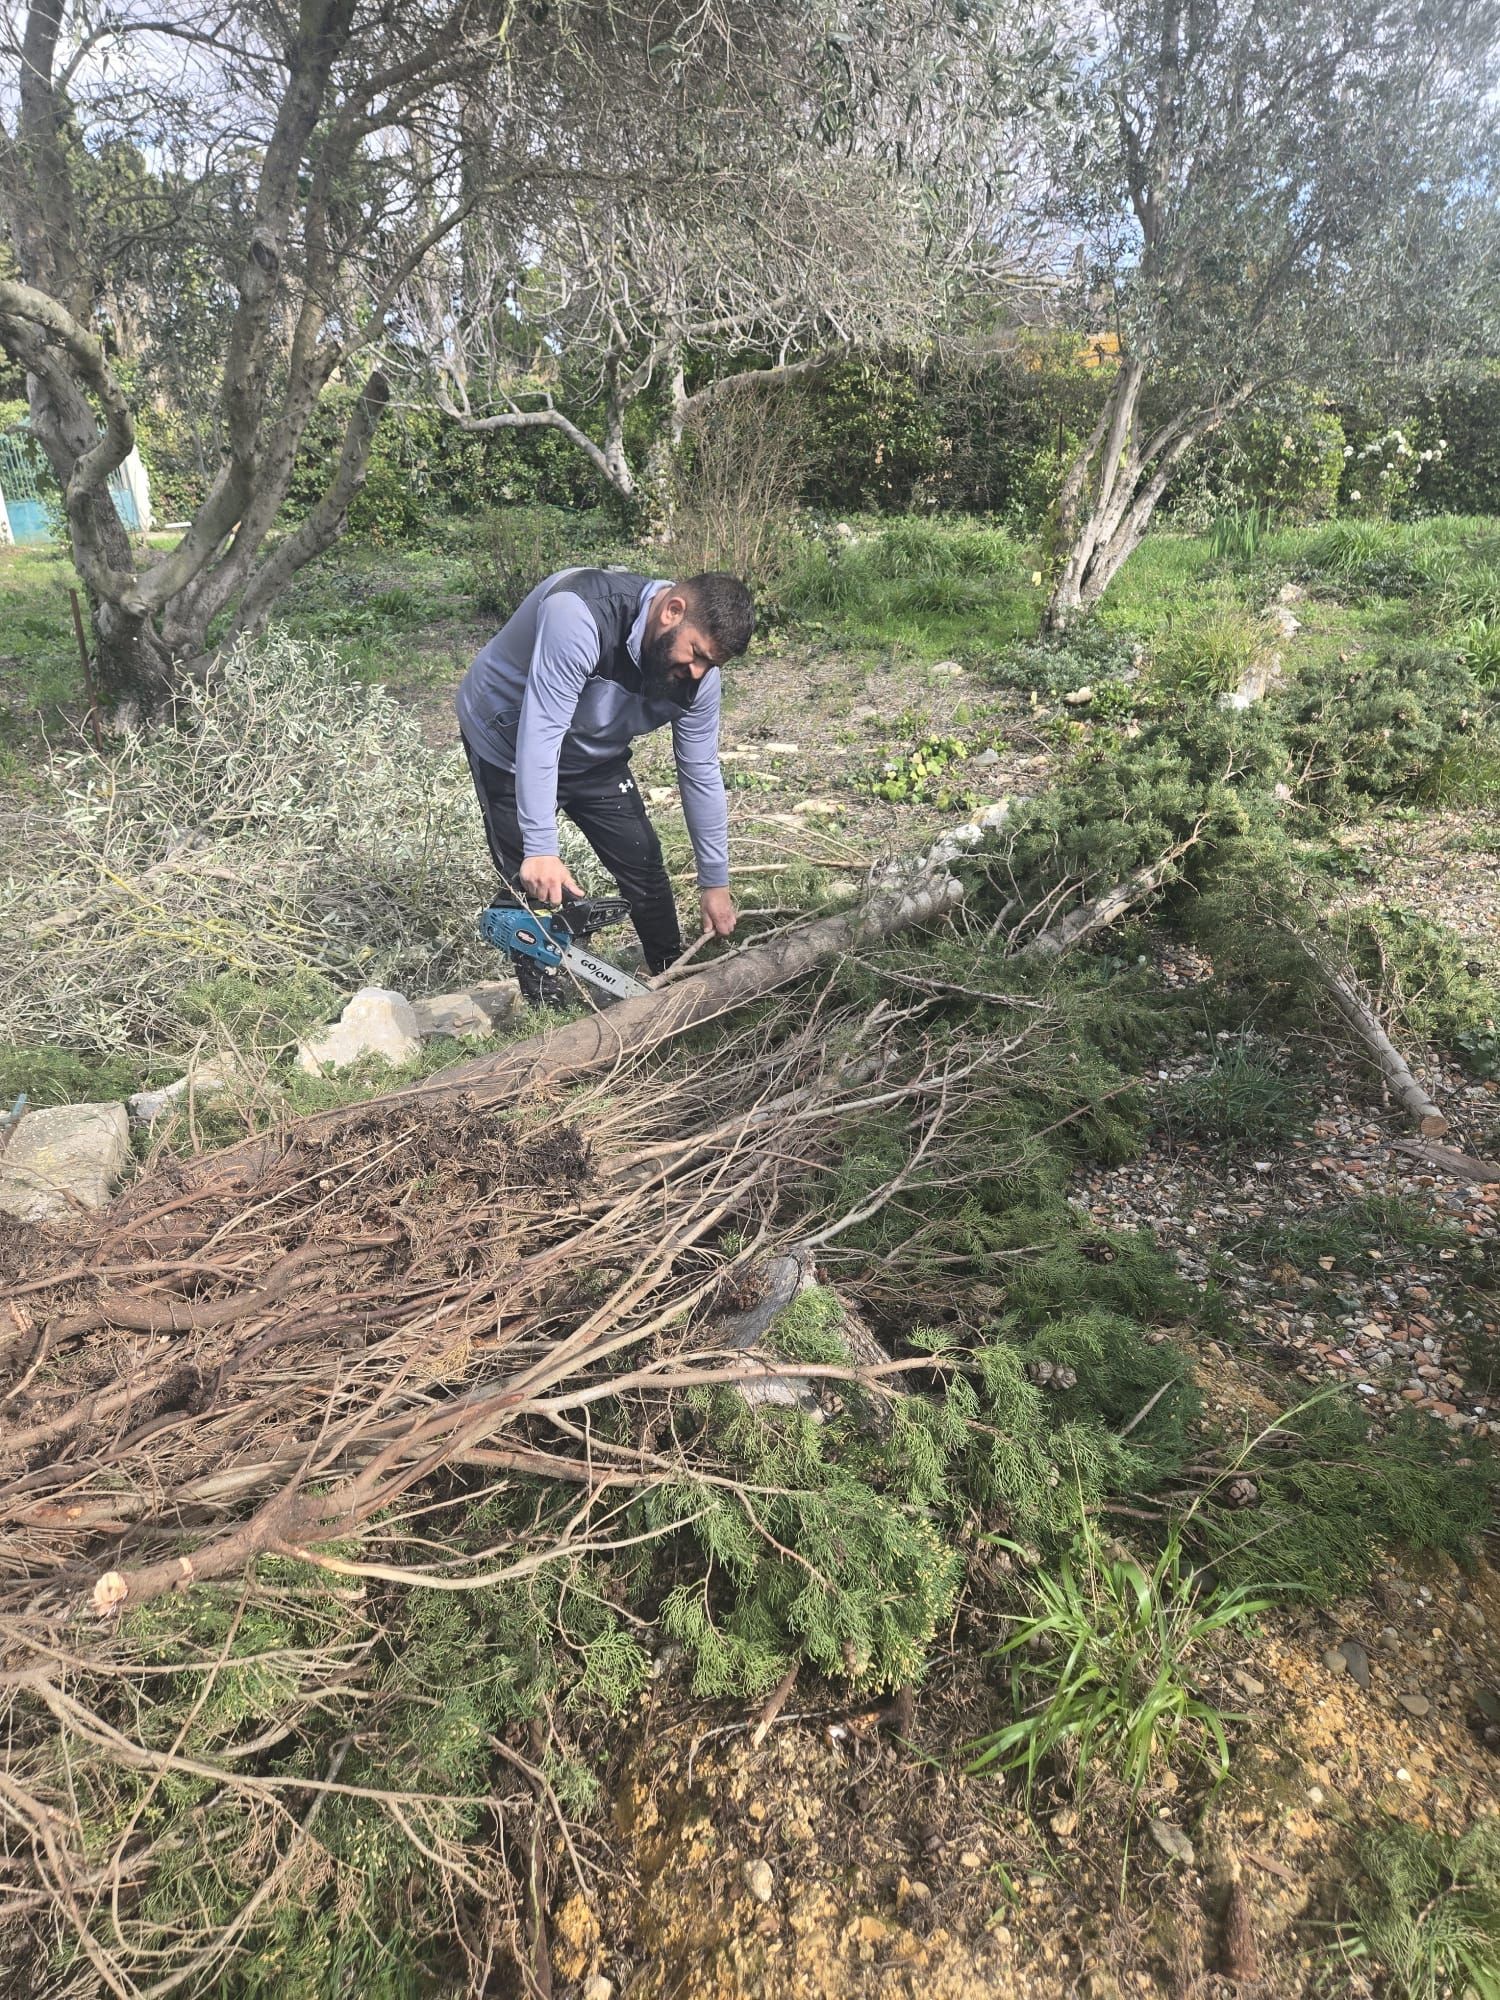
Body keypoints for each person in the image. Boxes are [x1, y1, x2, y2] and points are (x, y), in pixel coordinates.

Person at [456, 566, 754, 1005]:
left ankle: (669, 973)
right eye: (696, 654)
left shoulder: (699, 679)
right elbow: (542, 730)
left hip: (595, 751)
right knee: (534, 885)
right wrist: (540, 848)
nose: (697, 671)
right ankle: (546, 1007)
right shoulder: (579, 615)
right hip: (510, 742)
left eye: (710, 663)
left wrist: (715, 882)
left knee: (645, 865)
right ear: (673, 610)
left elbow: (701, 771)